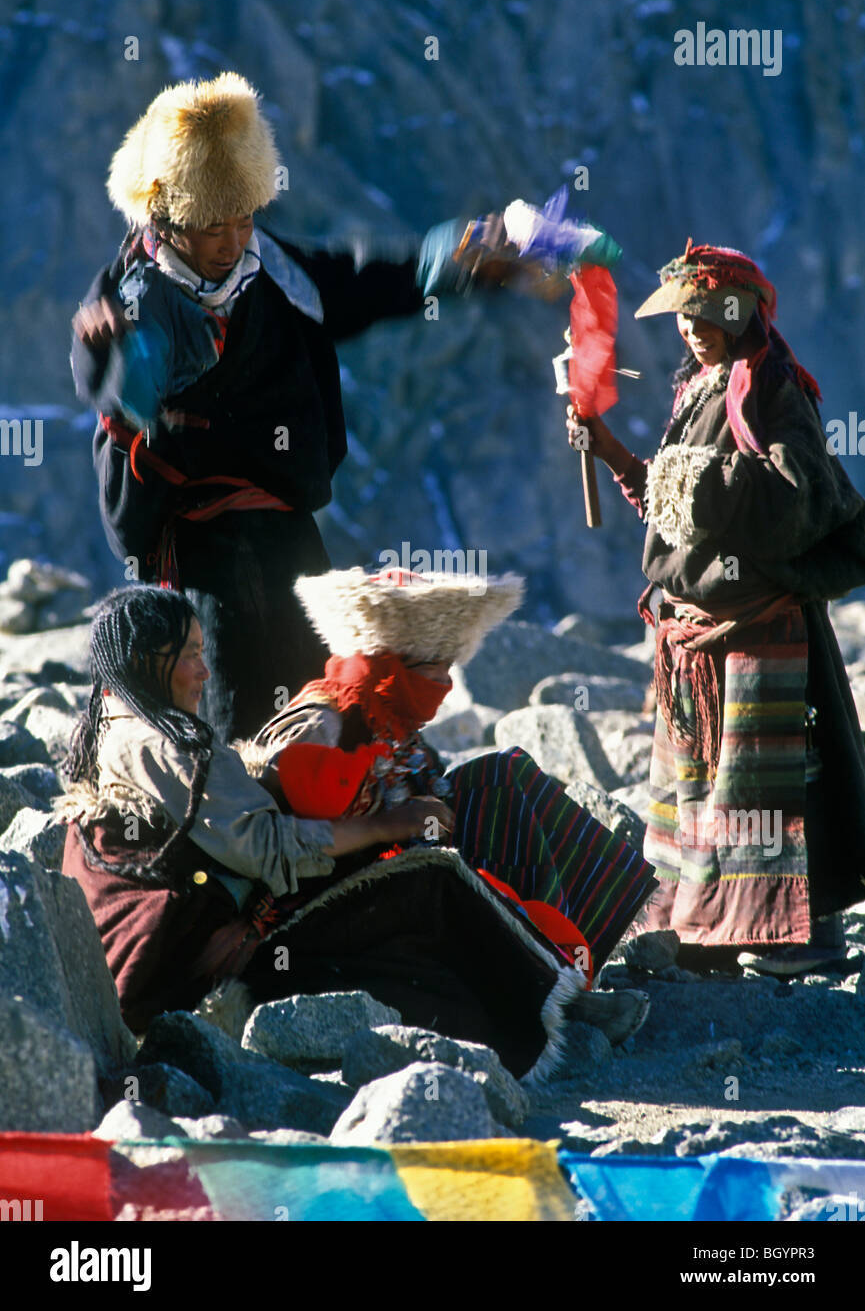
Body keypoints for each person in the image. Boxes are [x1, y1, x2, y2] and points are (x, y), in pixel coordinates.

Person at [69, 72, 539, 743]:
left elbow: (358, 282)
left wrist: (456, 259)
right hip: (201, 546)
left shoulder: (274, 270)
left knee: (316, 699)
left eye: (242, 219)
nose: (231, 242)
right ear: (164, 220)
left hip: (287, 532)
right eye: (211, 228)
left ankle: (320, 831)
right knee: (225, 709)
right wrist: (127, 376)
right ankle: (239, 835)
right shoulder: (135, 297)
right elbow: (115, 382)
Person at [57, 584, 648, 1083]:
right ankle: (548, 1003)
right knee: (429, 884)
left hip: (227, 917)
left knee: (496, 786)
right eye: (189, 653)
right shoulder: (173, 744)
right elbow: (268, 847)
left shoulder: (128, 724)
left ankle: (563, 969)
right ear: (144, 658)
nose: (205, 671)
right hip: (211, 961)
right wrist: (386, 826)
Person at [566, 239, 865, 975]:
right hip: (700, 632)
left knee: (769, 792)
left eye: (706, 314)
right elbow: (682, 514)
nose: (693, 327)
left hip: (759, 628)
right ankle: (719, 931)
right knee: (712, 791)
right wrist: (610, 452)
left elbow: (798, 492)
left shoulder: (769, 389)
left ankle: (796, 939)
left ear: (741, 315)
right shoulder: (702, 384)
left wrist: (682, 477)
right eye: (682, 315)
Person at [248, 565, 658, 978]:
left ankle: (574, 956)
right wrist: (387, 825)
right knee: (453, 872)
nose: (445, 684)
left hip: (394, 864)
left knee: (505, 776)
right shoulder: (325, 723)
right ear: (396, 664)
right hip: (325, 904)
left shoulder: (391, 718)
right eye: (436, 668)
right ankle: (546, 975)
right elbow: (268, 837)